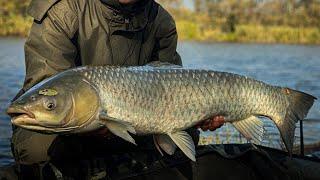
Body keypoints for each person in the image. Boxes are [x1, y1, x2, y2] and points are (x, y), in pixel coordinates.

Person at [9, 0, 226, 179]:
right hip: (77, 122)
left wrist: (197, 111)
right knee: (36, 144)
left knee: (186, 135)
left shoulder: (161, 20)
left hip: (137, 122)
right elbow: (46, 84)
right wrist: (93, 122)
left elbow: (172, 84)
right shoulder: (63, 10)